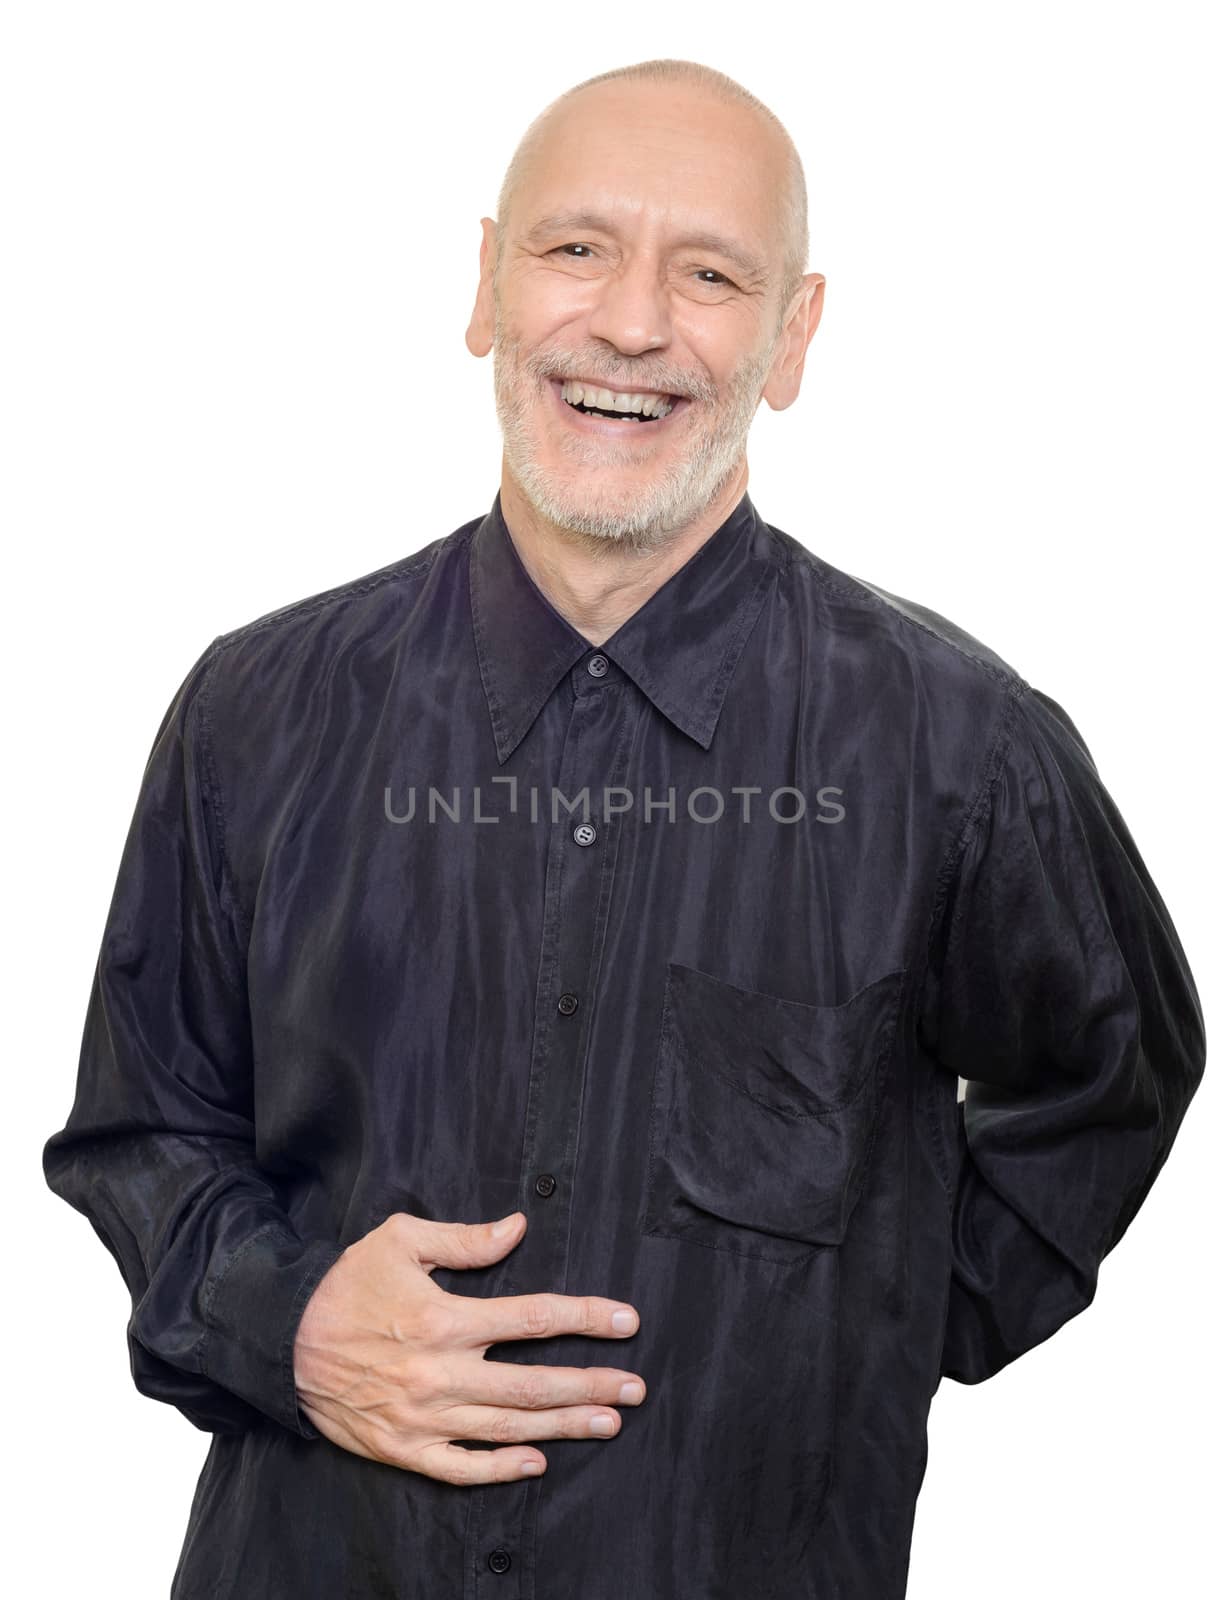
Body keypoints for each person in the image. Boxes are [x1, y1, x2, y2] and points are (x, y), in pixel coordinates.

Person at [42, 55, 1206, 1600]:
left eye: (710, 273)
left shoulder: (962, 749)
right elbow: (145, 1129)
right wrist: (290, 1323)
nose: (634, 324)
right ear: (485, 286)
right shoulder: (256, 708)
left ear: (790, 338)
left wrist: (845, 1341)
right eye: (574, 248)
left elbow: (1108, 1076)